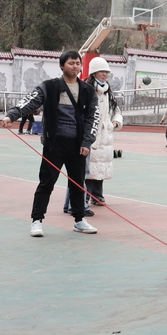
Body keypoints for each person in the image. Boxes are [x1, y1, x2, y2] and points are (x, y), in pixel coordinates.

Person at [2, 50, 100, 237]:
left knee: (78, 184)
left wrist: (87, 142)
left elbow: (93, 118)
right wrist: (11, 115)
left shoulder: (88, 91)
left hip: (78, 146)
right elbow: (30, 102)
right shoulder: (49, 86)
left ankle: (79, 220)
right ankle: (36, 221)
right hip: (54, 144)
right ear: (62, 66)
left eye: (78, 63)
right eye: (71, 63)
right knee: (46, 182)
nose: (75, 66)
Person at [64, 57, 122, 216]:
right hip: (89, 135)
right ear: (94, 72)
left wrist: (115, 123)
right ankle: (78, 202)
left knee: (100, 167)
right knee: (85, 169)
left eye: (107, 72)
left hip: (105, 136)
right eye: (102, 71)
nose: (105, 75)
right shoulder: (86, 90)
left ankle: (96, 195)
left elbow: (116, 111)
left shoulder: (108, 92)